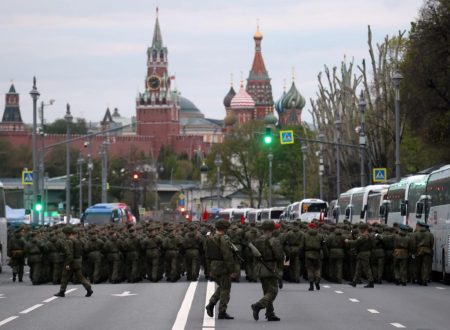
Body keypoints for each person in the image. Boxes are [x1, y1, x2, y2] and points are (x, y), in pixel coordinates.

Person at [251, 220, 284, 322]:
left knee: (266, 291)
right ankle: (258, 305)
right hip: (271, 267)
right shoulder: (274, 240)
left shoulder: (258, 240)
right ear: (272, 229)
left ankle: (270, 313)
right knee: (273, 291)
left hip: (261, 267)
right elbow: (279, 256)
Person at [205, 220, 236, 320]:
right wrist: (232, 270)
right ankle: (222, 311)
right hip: (223, 266)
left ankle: (211, 304)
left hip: (214, 265)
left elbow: (207, 255)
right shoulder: (224, 239)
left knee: (222, 286)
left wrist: (209, 268)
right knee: (226, 289)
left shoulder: (210, 238)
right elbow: (227, 256)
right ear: (224, 229)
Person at [54, 226, 93, 298]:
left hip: (71, 262)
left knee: (65, 276)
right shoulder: (77, 240)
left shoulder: (69, 241)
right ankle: (88, 288)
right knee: (80, 276)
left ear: (66, 233)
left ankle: (62, 291)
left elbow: (69, 254)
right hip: (78, 260)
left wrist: (67, 264)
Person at [347, 223, 374, 288]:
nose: (359, 230)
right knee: (358, 268)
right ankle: (354, 282)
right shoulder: (365, 235)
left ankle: (371, 282)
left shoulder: (365, 236)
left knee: (366, 268)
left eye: (360, 229)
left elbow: (357, 242)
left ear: (363, 229)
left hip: (364, 253)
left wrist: (348, 241)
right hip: (362, 253)